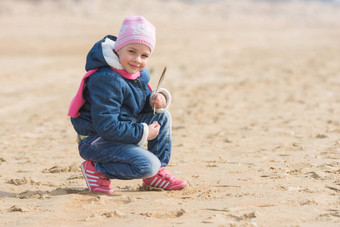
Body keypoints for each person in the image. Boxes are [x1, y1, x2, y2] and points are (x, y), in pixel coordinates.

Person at [67, 16, 187, 194]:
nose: (137, 60)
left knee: (162, 115)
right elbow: (106, 126)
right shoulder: (106, 79)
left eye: (144, 55)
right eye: (132, 51)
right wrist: (145, 132)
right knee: (147, 164)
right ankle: (97, 169)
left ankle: (155, 175)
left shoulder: (137, 74)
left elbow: (139, 106)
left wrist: (155, 99)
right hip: (95, 140)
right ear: (118, 48)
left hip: (118, 130)